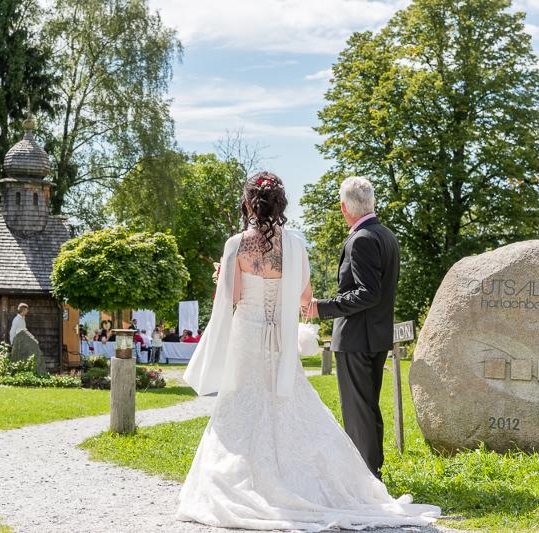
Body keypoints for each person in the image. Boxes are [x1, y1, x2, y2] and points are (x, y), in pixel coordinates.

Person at [178, 172, 439, 530]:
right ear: (280, 204)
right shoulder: (295, 244)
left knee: (241, 404)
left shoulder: (236, 244)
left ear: (249, 204)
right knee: (287, 403)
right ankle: (307, 478)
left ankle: (248, 478)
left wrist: (223, 275)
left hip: (247, 338)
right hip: (281, 340)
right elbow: (304, 298)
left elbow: (233, 297)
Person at [305, 176, 398, 480]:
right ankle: (372, 474)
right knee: (367, 409)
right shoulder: (386, 235)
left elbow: (367, 293)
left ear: (344, 207)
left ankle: (365, 478)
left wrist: (322, 307)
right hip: (376, 337)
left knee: (358, 413)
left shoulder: (361, 239)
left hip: (357, 339)